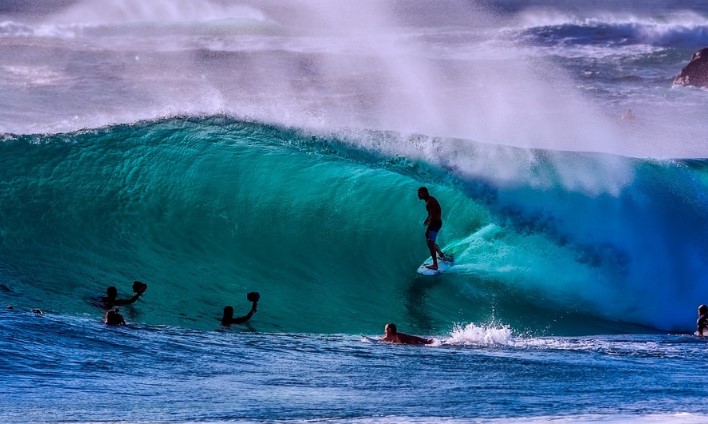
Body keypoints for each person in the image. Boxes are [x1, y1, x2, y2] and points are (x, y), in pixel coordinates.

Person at [417, 186, 447, 270]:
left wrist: (430, 226)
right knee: (428, 238)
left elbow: (434, 215)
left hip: (435, 223)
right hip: (435, 223)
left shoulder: (430, 201)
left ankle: (435, 265)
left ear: (424, 193)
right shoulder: (429, 200)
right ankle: (440, 254)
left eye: (419, 193)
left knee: (430, 242)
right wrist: (427, 220)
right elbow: (431, 214)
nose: (418, 195)